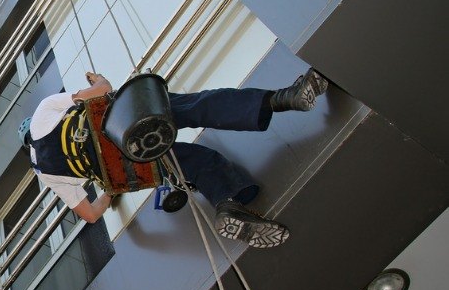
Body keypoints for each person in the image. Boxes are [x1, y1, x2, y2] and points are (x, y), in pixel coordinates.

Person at [20, 69, 329, 248]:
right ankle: (283, 98)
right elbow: (102, 91)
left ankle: (228, 206)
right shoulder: (43, 112)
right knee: (198, 106)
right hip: (124, 122)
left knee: (195, 162)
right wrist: (98, 81)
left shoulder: (45, 173)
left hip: (131, 161)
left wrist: (110, 192)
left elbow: (89, 214)